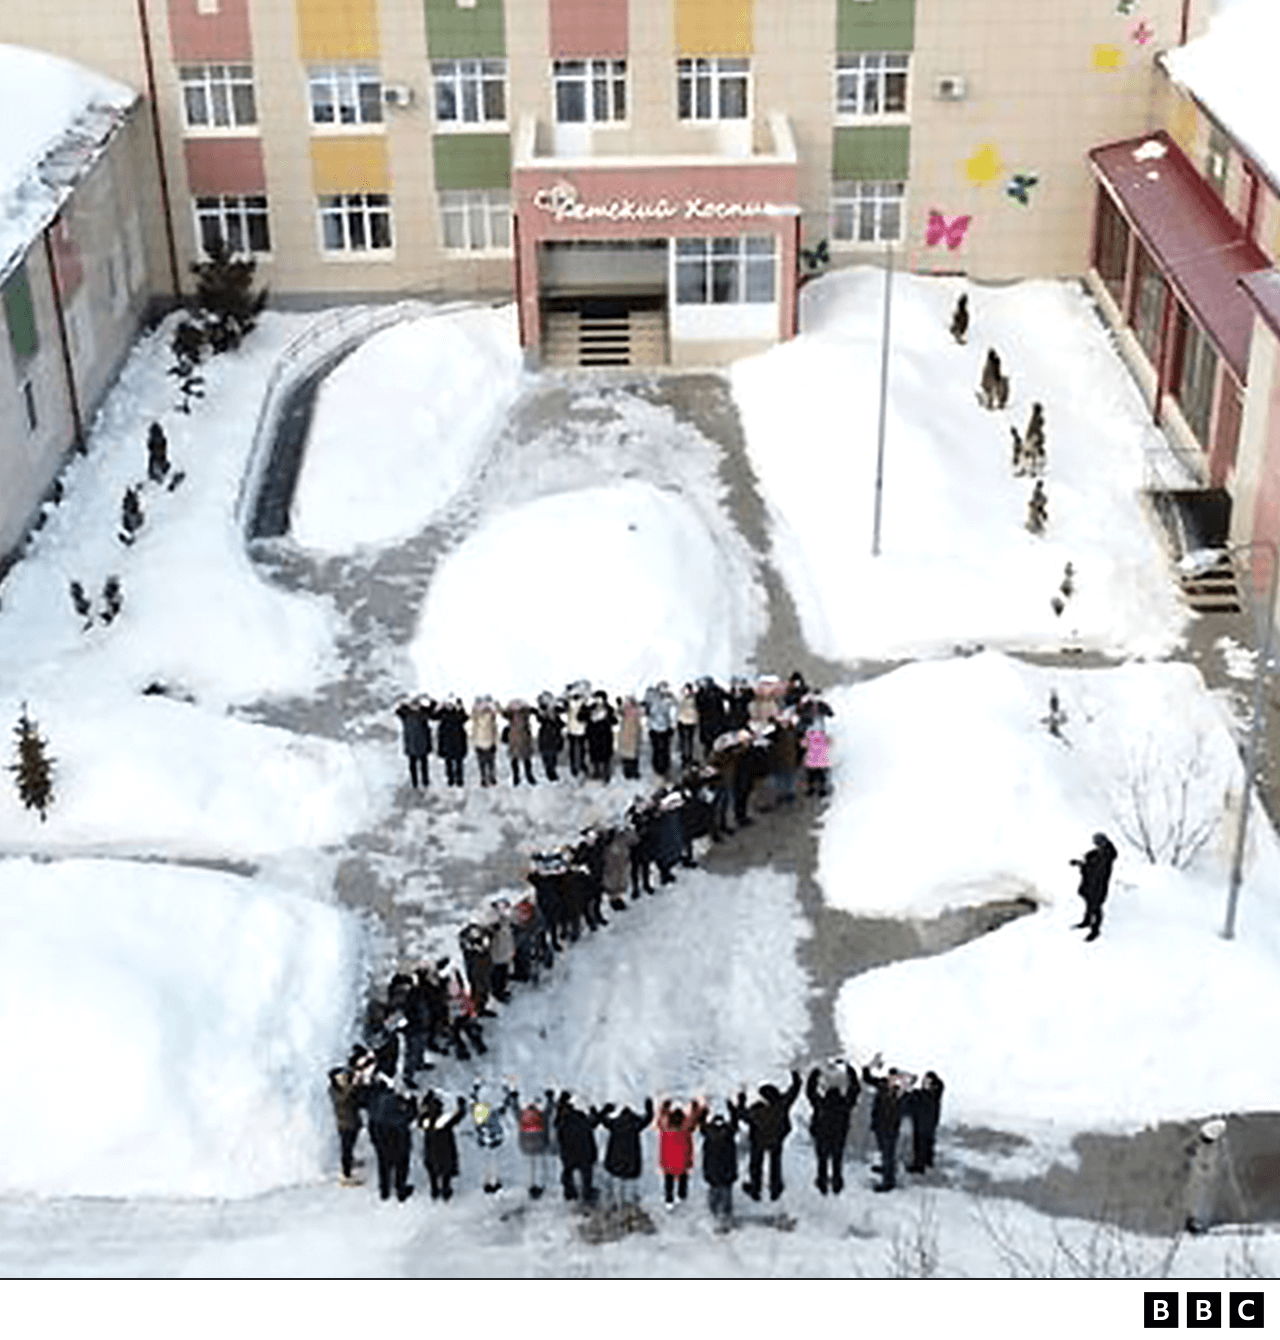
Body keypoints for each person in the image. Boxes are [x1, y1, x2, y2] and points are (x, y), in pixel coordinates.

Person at [739, 1070, 802, 1202]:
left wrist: (741, 1100)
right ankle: (775, 1189)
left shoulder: (758, 1110)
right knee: (775, 1164)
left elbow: (742, 1114)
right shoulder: (781, 1104)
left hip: (759, 1140)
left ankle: (756, 1189)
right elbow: (794, 1090)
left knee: (756, 1164)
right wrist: (795, 1076)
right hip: (776, 1139)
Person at [806, 1061, 860, 1195]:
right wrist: (850, 1070)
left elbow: (810, 1091)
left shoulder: (822, 1104)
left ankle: (822, 1183)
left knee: (822, 1160)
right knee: (837, 1160)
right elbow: (855, 1089)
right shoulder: (844, 1105)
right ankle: (837, 1184)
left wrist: (816, 1072)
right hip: (839, 1135)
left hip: (822, 1135)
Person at [862, 1054, 913, 1192]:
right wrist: (872, 1064)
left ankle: (888, 1181)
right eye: (891, 1077)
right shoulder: (882, 1085)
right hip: (879, 1124)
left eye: (895, 1078)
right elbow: (866, 1077)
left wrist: (906, 1085)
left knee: (888, 1153)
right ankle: (886, 1170)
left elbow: (907, 1106)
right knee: (884, 1151)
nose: (892, 1080)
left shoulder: (903, 1094)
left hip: (891, 1127)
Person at [367, 1073, 417, 1202]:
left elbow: (372, 1121)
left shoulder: (376, 1103)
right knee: (401, 1166)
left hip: (382, 1139)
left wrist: (374, 1140)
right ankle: (400, 1190)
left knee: (384, 1166)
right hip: (400, 1139)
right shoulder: (396, 1103)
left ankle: (384, 1191)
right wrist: (413, 1104)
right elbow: (409, 1117)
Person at [596, 1097, 654, 1207]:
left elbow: (603, 1119)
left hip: (615, 1162)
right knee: (629, 1188)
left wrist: (605, 1110)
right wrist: (649, 1107)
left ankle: (616, 1204)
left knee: (617, 1185)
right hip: (631, 1164)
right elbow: (648, 1118)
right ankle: (628, 1206)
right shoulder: (635, 1125)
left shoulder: (615, 1124)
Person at [470, 1079, 518, 1193]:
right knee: (492, 1161)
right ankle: (492, 1182)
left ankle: (490, 1182)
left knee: (489, 1161)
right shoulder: (489, 1114)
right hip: (493, 1140)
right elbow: (504, 1107)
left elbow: (474, 1105)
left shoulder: (483, 1113)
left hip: (489, 1140)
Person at [657, 1097, 705, 1209]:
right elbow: (693, 1119)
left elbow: (662, 1119)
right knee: (683, 1179)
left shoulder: (666, 1129)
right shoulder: (685, 1128)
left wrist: (665, 1106)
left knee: (668, 1180)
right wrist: (695, 1106)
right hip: (683, 1162)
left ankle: (669, 1199)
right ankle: (681, 1196)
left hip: (667, 1162)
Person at [699, 1103, 741, 1231]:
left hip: (714, 1172)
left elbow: (702, 1125)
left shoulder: (709, 1134)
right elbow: (734, 1124)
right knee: (723, 1198)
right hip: (724, 1172)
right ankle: (723, 1220)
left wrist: (704, 1112)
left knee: (716, 1199)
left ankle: (719, 1219)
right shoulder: (728, 1133)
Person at [419, 1090, 466, 1202]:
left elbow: (420, 1114)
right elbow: (459, 1116)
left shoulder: (426, 1121)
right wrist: (461, 1105)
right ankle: (446, 1195)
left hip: (430, 1154)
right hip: (445, 1153)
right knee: (446, 1176)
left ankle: (434, 1193)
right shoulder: (444, 1121)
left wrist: (426, 1100)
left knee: (433, 1176)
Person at [1184, 1117, 1228, 1235]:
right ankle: (1195, 1220)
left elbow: (1209, 1164)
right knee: (1196, 1195)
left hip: (1205, 1177)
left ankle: (1199, 1221)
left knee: (1201, 1196)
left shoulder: (1215, 1149)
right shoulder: (1206, 1145)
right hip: (1201, 1175)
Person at [554, 1092, 600, 1203]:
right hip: (583, 1154)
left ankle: (570, 1195)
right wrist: (595, 1111)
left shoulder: (561, 1120)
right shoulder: (580, 1118)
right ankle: (587, 1195)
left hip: (568, 1154)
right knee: (586, 1176)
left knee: (567, 1173)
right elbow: (593, 1122)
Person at [1071, 832, 1118, 941]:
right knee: (1088, 902)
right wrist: (1079, 863)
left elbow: (1096, 870)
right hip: (1091, 883)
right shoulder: (1099, 853)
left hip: (1098, 885)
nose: (1096, 845)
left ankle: (1095, 930)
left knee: (1096, 907)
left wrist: (1084, 866)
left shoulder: (1107, 855)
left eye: (1097, 842)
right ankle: (1086, 921)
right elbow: (1090, 866)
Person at [328, 1060, 369, 1185]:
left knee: (351, 1144)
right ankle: (345, 1174)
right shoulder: (335, 1091)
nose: (344, 1079)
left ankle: (350, 1161)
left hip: (353, 1122)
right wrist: (354, 1085)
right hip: (345, 1125)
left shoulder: (343, 1088)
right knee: (346, 1147)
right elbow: (344, 1098)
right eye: (341, 1077)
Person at [516, 1088, 555, 1198]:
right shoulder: (541, 1116)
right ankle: (540, 1187)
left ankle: (532, 1188)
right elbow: (549, 1111)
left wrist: (513, 1097)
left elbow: (515, 1109)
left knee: (530, 1167)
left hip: (525, 1146)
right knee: (540, 1166)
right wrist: (550, 1099)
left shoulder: (523, 1116)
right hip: (541, 1145)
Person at [906, 1070, 945, 1174]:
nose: (924, 1082)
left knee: (920, 1143)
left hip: (925, 1121)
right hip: (925, 1121)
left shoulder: (932, 1092)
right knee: (926, 1142)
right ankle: (927, 1161)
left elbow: (923, 1096)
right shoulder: (929, 1093)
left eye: (927, 1080)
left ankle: (919, 1166)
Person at [394, 697, 433, 789]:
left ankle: (423, 782)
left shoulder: (415, 714)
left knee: (421, 765)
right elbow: (398, 711)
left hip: (417, 743)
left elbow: (432, 711)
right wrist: (404, 705)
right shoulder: (411, 714)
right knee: (416, 765)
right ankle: (418, 782)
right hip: (417, 743)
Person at [644, 681, 677, 776]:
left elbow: (673, 712)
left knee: (664, 749)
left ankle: (664, 768)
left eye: (665, 687)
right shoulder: (653, 697)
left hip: (665, 728)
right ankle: (657, 768)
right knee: (657, 750)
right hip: (655, 728)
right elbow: (648, 711)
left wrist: (672, 726)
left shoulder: (669, 698)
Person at [436, 696, 468, 787]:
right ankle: (459, 780)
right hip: (458, 743)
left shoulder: (443, 717)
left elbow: (434, 717)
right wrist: (461, 707)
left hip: (447, 744)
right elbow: (465, 717)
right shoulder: (458, 717)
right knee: (458, 763)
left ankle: (450, 780)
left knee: (449, 763)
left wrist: (440, 707)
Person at [503, 699, 537, 786]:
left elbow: (504, 714)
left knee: (520, 758)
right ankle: (524, 776)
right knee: (522, 758)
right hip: (520, 737)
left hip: (517, 737)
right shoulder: (523, 714)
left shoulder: (514, 714)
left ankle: (519, 777)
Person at [471, 695, 499, 787]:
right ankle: (492, 778)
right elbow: (495, 730)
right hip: (490, 741)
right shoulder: (491, 717)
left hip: (479, 742)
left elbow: (474, 730)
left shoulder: (476, 718)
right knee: (491, 762)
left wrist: (474, 743)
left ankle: (483, 779)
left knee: (482, 763)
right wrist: (495, 743)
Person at [536, 697, 564, 782]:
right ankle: (551, 774)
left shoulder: (553, 716)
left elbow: (560, 724)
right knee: (549, 758)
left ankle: (551, 774)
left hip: (550, 740)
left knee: (551, 758)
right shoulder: (545, 717)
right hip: (548, 740)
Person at [802, 719, 831, 798]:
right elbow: (830, 743)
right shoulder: (824, 735)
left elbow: (803, 744)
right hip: (823, 761)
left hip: (812, 760)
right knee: (822, 776)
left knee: (811, 776)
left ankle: (811, 789)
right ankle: (822, 790)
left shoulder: (809, 735)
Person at [617, 695, 643, 780]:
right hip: (628, 735)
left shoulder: (635, 712)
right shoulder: (626, 711)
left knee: (632, 754)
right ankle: (628, 772)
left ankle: (631, 772)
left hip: (632, 735)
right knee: (629, 754)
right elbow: (619, 712)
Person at [676, 683, 699, 769]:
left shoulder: (693, 698)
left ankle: (688, 759)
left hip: (690, 722)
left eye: (686, 689)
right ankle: (685, 758)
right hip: (682, 721)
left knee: (688, 742)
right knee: (684, 742)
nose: (685, 691)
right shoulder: (682, 697)